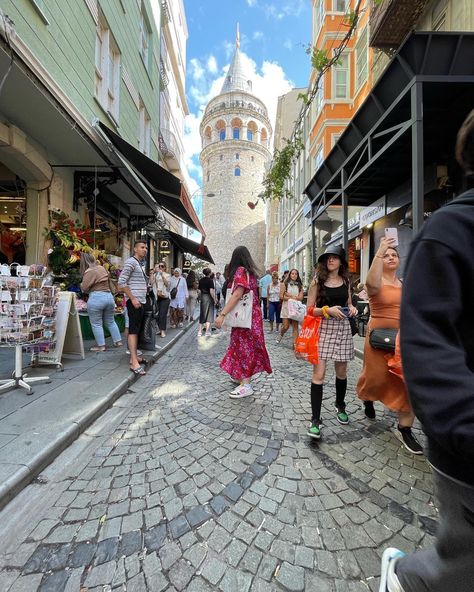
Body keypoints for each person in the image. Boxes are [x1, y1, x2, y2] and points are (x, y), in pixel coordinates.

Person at [378, 111, 474, 592]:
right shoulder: (452, 230)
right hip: (466, 448)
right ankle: (405, 579)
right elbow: (429, 346)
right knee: (459, 572)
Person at [356, 239, 422, 453]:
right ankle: (368, 397)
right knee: (376, 378)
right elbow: (371, 284)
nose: (391, 257)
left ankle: (405, 429)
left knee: (405, 383)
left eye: (394, 255)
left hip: (401, 339)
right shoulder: (376, 282)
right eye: (387, 255)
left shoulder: (404, 283)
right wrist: (380, 251)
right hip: (378, 338)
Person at [305, 246, 358, 439]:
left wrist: (352, 309)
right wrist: (327, 310)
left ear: (341, 262)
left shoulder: (345, 280)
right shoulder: (317, 282)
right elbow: (309, 310)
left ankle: (340, 405)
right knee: (318, 374)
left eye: (335, 258)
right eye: (328, 258)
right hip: (323, 330)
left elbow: (349, 303)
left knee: (341, 372)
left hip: (343, 329)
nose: (331, 261)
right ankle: (315, 419)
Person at [215, 245, 272, 398]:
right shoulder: (250, 273)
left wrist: (222, 314)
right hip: (252, 317)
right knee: (246, 348)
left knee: (243, 348)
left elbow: (237, 294)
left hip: (244, 319)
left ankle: (246, 385)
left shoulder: (240, 271)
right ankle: (241, 377)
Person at [80, 253, 122, 352]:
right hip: (108, 297)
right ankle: (118, 341)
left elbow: (84, 287)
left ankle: (101, 346)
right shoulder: (101, 268)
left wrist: (81, 285)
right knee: (111, 321)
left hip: (96, 298)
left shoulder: (89, 271)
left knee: (96, 324)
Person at [118, 239, 148, 376]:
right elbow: (121, 282)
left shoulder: (138, 263)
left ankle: (134, 357)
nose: (145, 249)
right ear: (135, 249)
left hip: (140, 300)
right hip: (134, 301)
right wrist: (133, 298)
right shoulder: (131, 262)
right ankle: (134, 363)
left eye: (146, 248)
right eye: (142, 247)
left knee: (136, 330)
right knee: (133, 331)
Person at [277, 268, 304, 347]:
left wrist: (290, 296)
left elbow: (301, 297)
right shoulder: (284, 284)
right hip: (286, 307)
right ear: (290, 275)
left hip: (295, 308)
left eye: (296, 274)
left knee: (295, 326)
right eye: (292, 273)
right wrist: (292, 297)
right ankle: (281, 334)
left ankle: (295, 344)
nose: (294, 275)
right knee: (286, 326)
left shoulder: (299, 285)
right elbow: (281, 296)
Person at [150, 262, 170, 338]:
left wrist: (161, 275)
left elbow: (167, 285)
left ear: (165, 267)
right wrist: (152, 274)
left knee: (162, 314)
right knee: (157, 315)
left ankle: (163, 331)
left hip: (165, 297)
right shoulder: (155, 275)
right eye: (159, 266)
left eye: (162, 266)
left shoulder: (167, 275)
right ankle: (160, 329)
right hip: (156, 297)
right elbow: (151, 283)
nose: (160, 267)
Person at [198, 267, 215, 337]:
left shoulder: (201, 280)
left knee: (202, 313)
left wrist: (199, 298)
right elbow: (211, 291)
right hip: (209, 297)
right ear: (210, 273)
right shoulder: (210, 281)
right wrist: (215, 299)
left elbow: (199, 291)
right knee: (209, 314)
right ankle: (207, 331)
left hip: (203, 297)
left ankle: (199, 331)